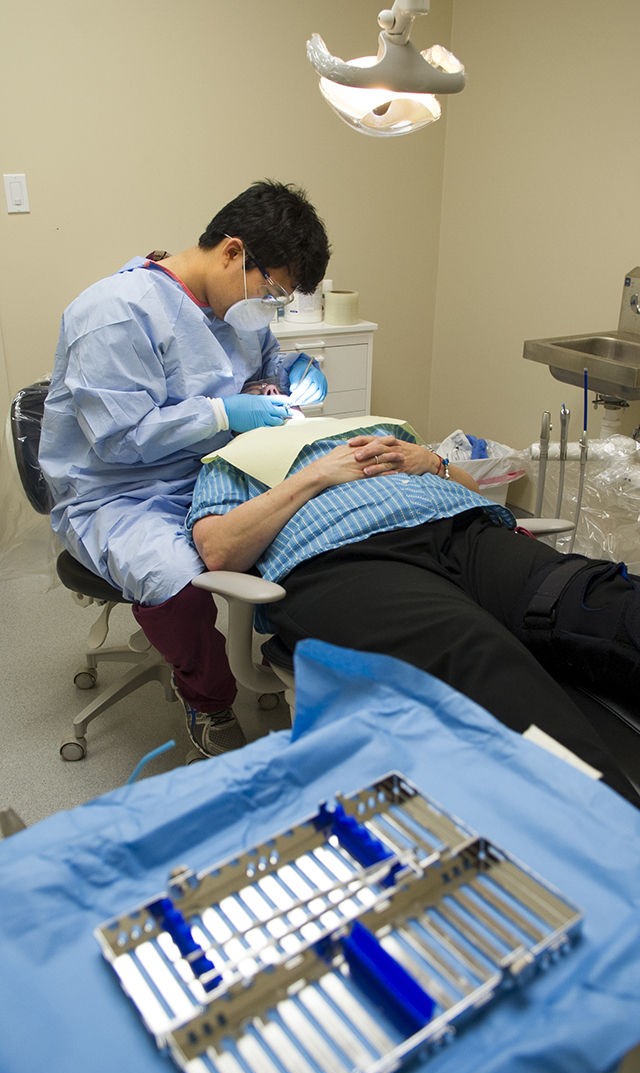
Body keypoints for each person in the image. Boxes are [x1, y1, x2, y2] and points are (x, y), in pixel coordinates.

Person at [39, 181, 331, 756]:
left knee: (309, 529)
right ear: (232, 251)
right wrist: (224, 410)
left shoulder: (234, 309)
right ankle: (210, 696)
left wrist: (292, 372)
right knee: (174, 581)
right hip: (117, 493)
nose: (269, 308)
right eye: (271, 290)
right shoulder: (111, 313)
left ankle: (285, 662)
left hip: (214, 467)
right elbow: (119, 439)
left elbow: (261, 367)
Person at [186, 418, 640, 779]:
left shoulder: (381, 429)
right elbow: (220, 549)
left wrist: (433, 462)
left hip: (468, 531)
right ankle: (613, 843)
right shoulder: (232, 461)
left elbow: (472, 488)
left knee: (596, 597)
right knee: (477, 660)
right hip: (345, 560)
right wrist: (316, 476)